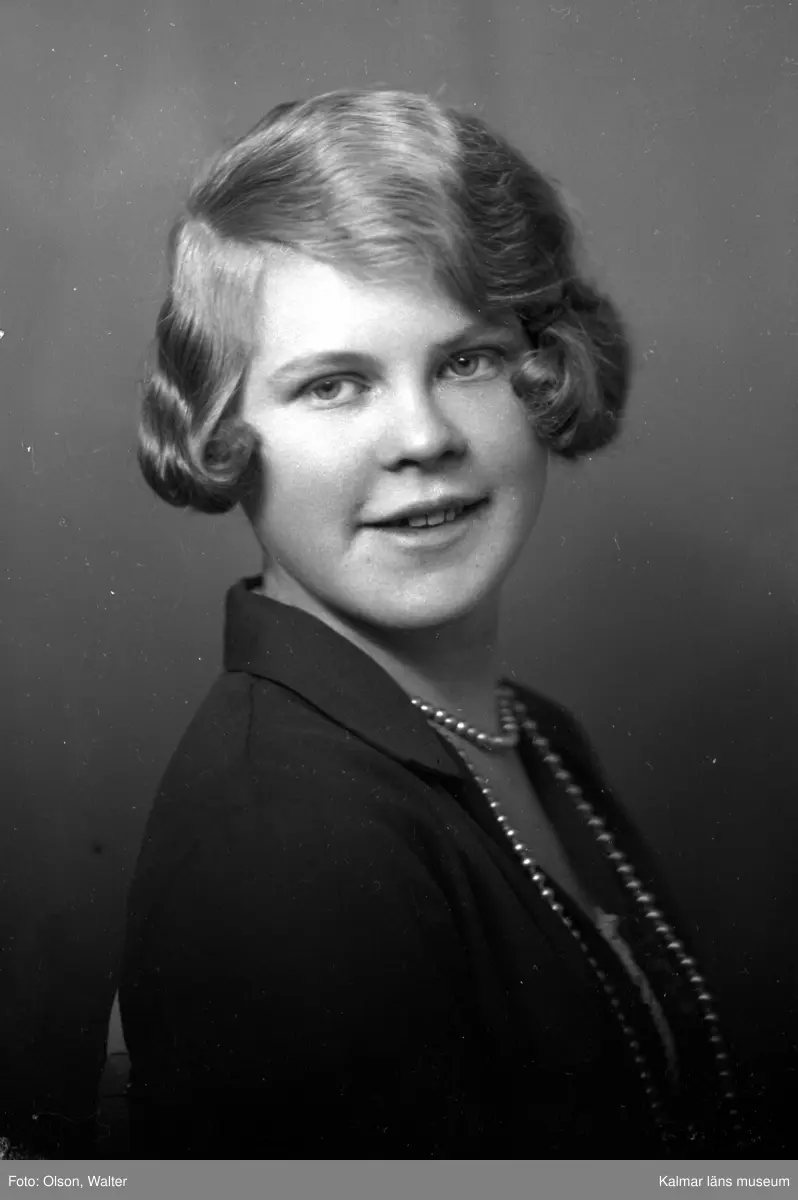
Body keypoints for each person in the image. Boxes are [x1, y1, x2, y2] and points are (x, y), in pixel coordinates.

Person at [118, 88, 752, 1158]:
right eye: (334, 385)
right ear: (222, 430)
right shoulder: (284, 837)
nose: (422, 437)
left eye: (468, 361)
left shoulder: (527, 730)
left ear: (546, 373)